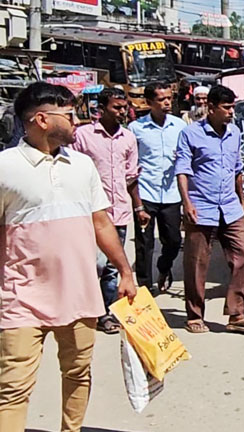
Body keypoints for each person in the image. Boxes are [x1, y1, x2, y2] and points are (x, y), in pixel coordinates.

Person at [0, 82, 137, 432]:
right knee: (13, 388)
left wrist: (124, 270)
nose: (77, 121)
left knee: (78, 372)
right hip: (20, 298)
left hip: (79, 294)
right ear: (42, 119)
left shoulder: (82, 165)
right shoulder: (5, 167)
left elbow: (101, 222)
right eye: (70, 114)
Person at [175, 85, 244, 335]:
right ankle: (194, 315)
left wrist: (242, 201)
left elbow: (237, 169)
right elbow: (182, 170)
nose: (231, 112)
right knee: (197, 262)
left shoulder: (234, 133)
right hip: (200, 207)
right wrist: (186, 203)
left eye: (233, 107)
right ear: (210, 108)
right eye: (226, 107)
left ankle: (236, 314)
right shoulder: (190, 134)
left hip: (230, 207)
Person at [71, 87, 140, 335]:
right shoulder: (83, 136)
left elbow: (132, 177)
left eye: (124, 108)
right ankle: (89, 308)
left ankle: (107, 314)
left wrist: (138, 206)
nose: (122, 112)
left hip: (119, 212)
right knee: (92, 265)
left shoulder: (129, 139)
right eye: (116, 108)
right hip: (89, 213)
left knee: (112, 266)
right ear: (101, 109)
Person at [129, 82, 187, 294]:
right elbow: (131, 160)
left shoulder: (179, 126)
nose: (167, 103)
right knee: (144, 243)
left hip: (172, 193)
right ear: (149, 102)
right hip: (146, 192)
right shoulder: (136, 129)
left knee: (173, 240)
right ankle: (145, 287)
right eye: (162, 99)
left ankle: (165, 266)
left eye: (169, 98)